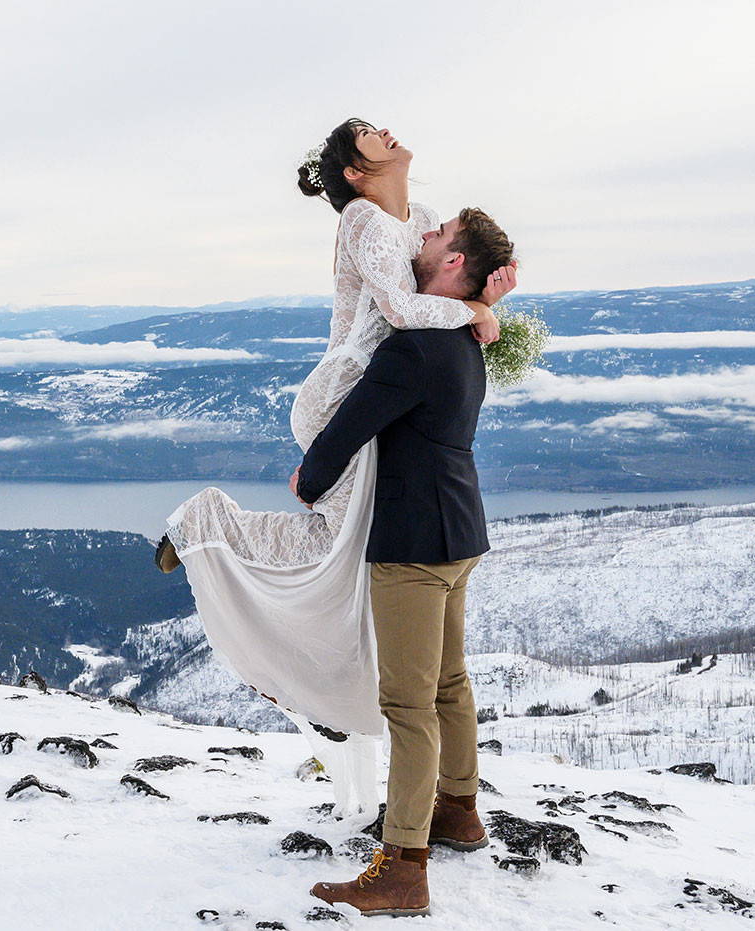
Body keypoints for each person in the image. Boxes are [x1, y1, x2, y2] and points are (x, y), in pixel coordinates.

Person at [155, 117, 515, 818]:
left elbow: (448, 270)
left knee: (370, 559)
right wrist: (475, 307)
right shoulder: (364, 221)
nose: (385, 129)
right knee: (336, 545)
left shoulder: (428, 218)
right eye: (368, 135)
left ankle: (339, 696)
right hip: (345, 394)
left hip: (382, 394)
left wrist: (482, 300)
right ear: (356, 171)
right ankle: (206, 523)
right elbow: (408, 308)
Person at [299, 207, 516, 918]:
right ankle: (459, 809)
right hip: (460, 531)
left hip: (416, 545)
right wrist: (487, 305)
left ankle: (403, 866)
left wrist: (311, 477)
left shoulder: (418, 345)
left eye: (439, 234)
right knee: (449, 682)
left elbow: (351, 421)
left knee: (408, 704)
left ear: (454, 264)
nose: (424, 236)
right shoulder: (462, 337)